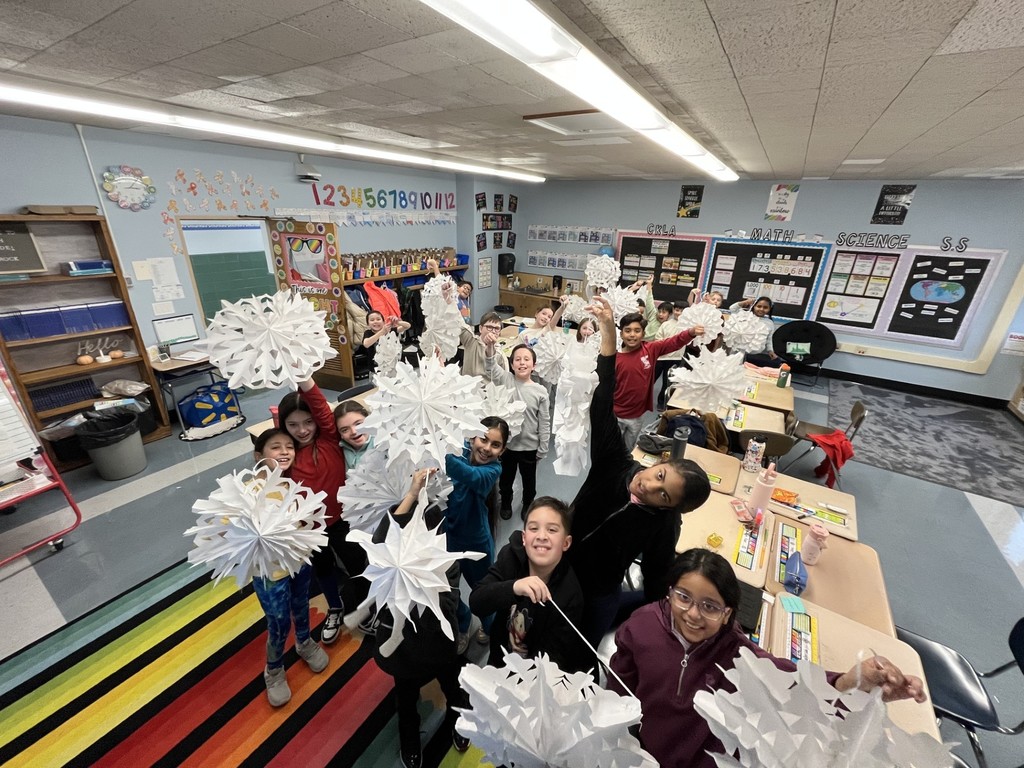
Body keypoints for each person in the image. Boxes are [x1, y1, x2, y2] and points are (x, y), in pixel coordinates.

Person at [609, 549, 928, 768]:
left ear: (727, 613)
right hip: (640, 749)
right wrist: (615, 735)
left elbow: (793, 687)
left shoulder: (736, 651)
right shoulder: (642, 625)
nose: (692, 614)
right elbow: (618, 686)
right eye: (683, 597)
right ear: (670, 592)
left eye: (710, 606)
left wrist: (855, 683)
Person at [568, 296, 711, 646]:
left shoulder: (663, 525)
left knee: (585, 642)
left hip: (602, 585)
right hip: (563, 557)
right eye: (660, 477)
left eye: (664, 496)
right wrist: (606, 330)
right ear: (660, 463)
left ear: (669, 507)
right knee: (556, 624)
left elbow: (656, 574)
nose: (649, 486)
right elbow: (602, 399)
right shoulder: (615, 461)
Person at [371, 468, 470, 768]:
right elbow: (379, 540)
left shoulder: (447, 565)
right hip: (402, 652)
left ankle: (460, 719)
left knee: (452, 685)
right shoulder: (387, 565)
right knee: (405, 696)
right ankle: (409, 737)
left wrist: (423, 588)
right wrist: (412, 494)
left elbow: (448, 605)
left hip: (439, 644)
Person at [251, 428, 329, 706]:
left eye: (289, 447)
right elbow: (229, 532)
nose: (285, 451)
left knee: (301, 606)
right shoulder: (249, 491)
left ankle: (305, 642)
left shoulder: (290, 485)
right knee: (279, 621)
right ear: (258, 456)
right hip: (270, 573)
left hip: (299, 562)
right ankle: (273, 669)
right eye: (276, 447)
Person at [470, 497, 594, 674]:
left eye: (552, 530)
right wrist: (513, 587)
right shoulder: (511, 556)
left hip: (530, 675)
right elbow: (477, 602)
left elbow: (554, 658)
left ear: (566, 543)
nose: (541, 536)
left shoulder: (570, 596)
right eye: (534, 528)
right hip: (498, 656)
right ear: (524, 538)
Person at [278, 380, 359, 645]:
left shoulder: (328, 438)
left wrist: (305, 378)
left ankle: (366, 605)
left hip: (343, 519)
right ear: (283, 427)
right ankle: (335, 608)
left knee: (358, 563)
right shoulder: (286, 454)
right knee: (323, 569)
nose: (302, 430)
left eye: (308, 422)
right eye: (293, 425)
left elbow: (322, 410)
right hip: (310, 528)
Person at [444, 416, 509, 652]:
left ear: (503, 450)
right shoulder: (458, 450)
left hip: (476, 543)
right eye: (484, 439)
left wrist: (436, 449)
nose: (487, 448)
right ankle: (462, 623)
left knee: (484, 593)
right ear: (473, 436)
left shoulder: (493, 469)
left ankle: (490, 625)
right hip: (447, 538)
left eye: (495, 445)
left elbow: (468, 475)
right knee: (448, 589)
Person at [480, 331, 550, 520]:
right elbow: (491, 366)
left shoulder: (540, 391)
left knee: (529, 482)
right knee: (506, 479)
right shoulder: (506, 380)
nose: (522, 362)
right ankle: (507, 502)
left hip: (529, 447)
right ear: (511, 365)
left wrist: (543, 447)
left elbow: (544, 421)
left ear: (533, 366)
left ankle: (528, 503)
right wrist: (490, 347)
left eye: (526, 359)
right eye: (517, 359)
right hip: (508, 446)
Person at [613, 310, 704, 450]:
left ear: (643, 334)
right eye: (628, 330)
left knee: (628, 449)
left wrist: (690, 332)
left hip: (637, 414)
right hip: (616, 414)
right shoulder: (614, 358)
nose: (632, 334)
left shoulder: (650, 349)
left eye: (637, 331)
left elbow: (673, 342)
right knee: (612, 449)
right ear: (621, 334)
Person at [729, 295, 781, 367]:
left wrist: (770, 351)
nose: (761, 309)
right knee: (731, 366)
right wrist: (745, 302)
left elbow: (769, 338)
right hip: (737, 349)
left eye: (765, 307)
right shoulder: (745, 315)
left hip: (753, 354)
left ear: (769, 309)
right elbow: (732, 308)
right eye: (759, 306)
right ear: (754, 306)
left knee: (744, 370)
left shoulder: (769, 323)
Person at [334, 400, 373, 468]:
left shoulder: (383, 443)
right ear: (340, 434)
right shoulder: (340, 449)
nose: (354, 432)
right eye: (345, 430)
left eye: (358, 424)